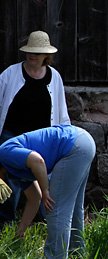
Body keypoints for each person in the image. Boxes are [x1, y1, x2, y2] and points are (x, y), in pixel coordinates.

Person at [0, 30, 70, 225]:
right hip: (12, 136)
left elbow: (61, 110)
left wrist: (64, 137)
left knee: (45, 179)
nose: (32, 55)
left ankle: (47, 221)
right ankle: (6, 220)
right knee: (11, 180)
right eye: (30, 51)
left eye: (37, 53)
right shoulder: (10, 74)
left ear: (46, 56)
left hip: (42, 139)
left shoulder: (54, 77)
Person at [0, 124, 95, 259]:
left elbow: (37, 160)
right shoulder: (13, 169)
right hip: (82, 142)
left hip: (73, 146)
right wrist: (21, 230)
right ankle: (77, 254)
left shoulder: (4, 153)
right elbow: (34, 199)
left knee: (55, 208)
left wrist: (46, 190)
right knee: (73, 209)